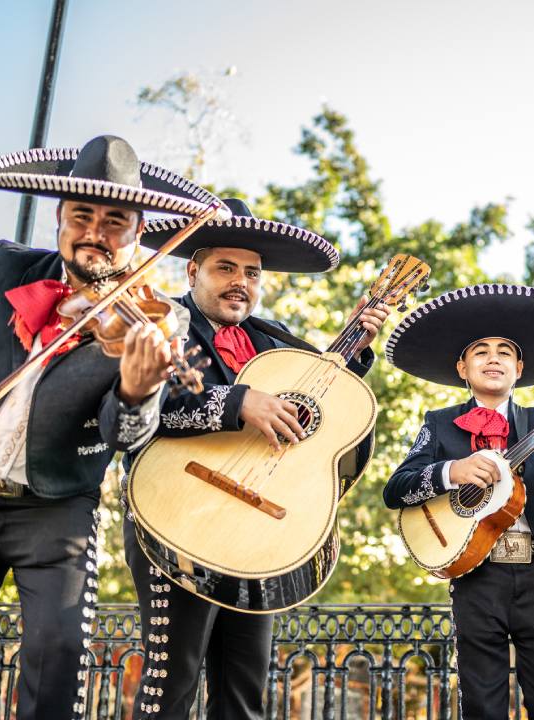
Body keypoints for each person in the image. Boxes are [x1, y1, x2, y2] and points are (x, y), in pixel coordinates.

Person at [0, 135, 217, 719]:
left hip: (58, 508)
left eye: (114, 221)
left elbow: (127, 435)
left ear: (138, 233)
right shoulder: (0, 269)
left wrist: (137, 390)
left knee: (59, 658)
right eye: (82, 215)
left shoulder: (160, 320)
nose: (95, 231)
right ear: (59, 219)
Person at [121, 197, 387, 719]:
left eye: (251, 272)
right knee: (170, 684)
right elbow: (149, 405)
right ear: (193, 269)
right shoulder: (161, 323)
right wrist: (240, 402)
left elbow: (321, 411)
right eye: (225, 268)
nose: (239, 280)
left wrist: (353, 353)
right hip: (174, 515)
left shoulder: (274, 339)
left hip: (256, 534)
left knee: (245, 692)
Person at [382, 283, 534, 719]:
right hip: (475, 576)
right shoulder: (440, 425)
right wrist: (450, 472)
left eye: (503, 351)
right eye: (480, 351)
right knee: (482, 703)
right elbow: (396, 488)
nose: (492, 357)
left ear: (518, 368)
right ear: (463, 367)